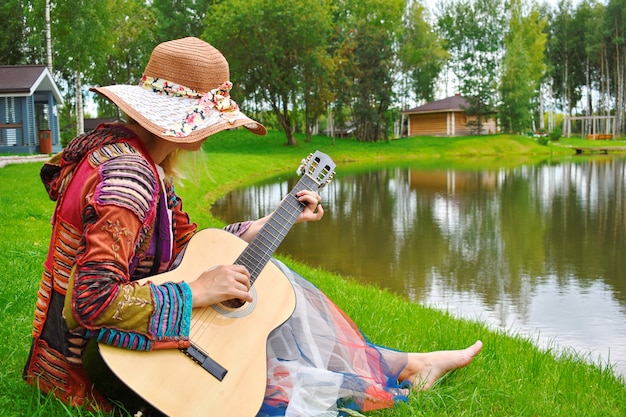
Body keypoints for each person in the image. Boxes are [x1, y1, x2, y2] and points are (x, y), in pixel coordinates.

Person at [23, 37, 482, 417]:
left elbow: (189, 244)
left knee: (263, 319)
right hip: (96, 364)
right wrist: (195, 292)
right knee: (264, 383)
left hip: (97, 348)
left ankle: (408, 364)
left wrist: (271, 220)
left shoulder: (131, 159)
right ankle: (406, 367)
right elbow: (91, 301)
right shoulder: (130, 179)